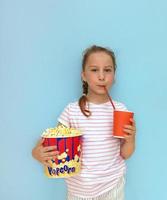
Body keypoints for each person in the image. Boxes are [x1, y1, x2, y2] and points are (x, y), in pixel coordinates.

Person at [32, 45, 136, 200]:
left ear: (114, 76)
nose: (102, 76)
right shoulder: (71, 111)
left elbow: (125, 154)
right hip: (77, 189)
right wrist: (36, 153)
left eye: (107, 70)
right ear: (84, 76)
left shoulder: (120, 110)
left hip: (112, 185)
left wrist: (131, 138)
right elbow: (51, 141)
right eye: (94, 70)